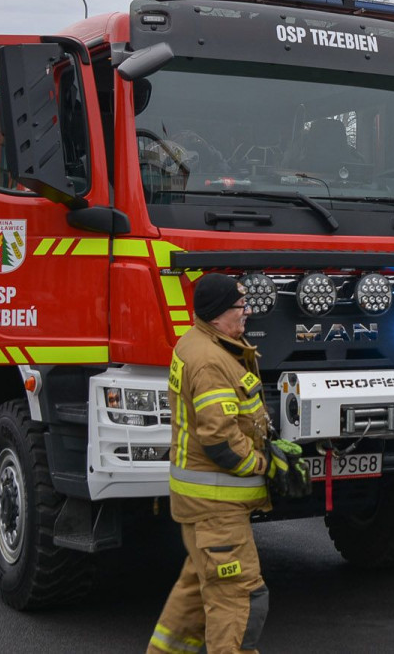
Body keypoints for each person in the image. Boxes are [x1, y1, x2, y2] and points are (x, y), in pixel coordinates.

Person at [147, 274, 273, 654]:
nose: (247, 312)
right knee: (240, 597)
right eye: (240, 306)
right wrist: (265, 465)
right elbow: (220, 441)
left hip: (203, 508)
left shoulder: (200, 343)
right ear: (218, 314)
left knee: (194, 598)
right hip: (216, 508)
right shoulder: (209, 362)